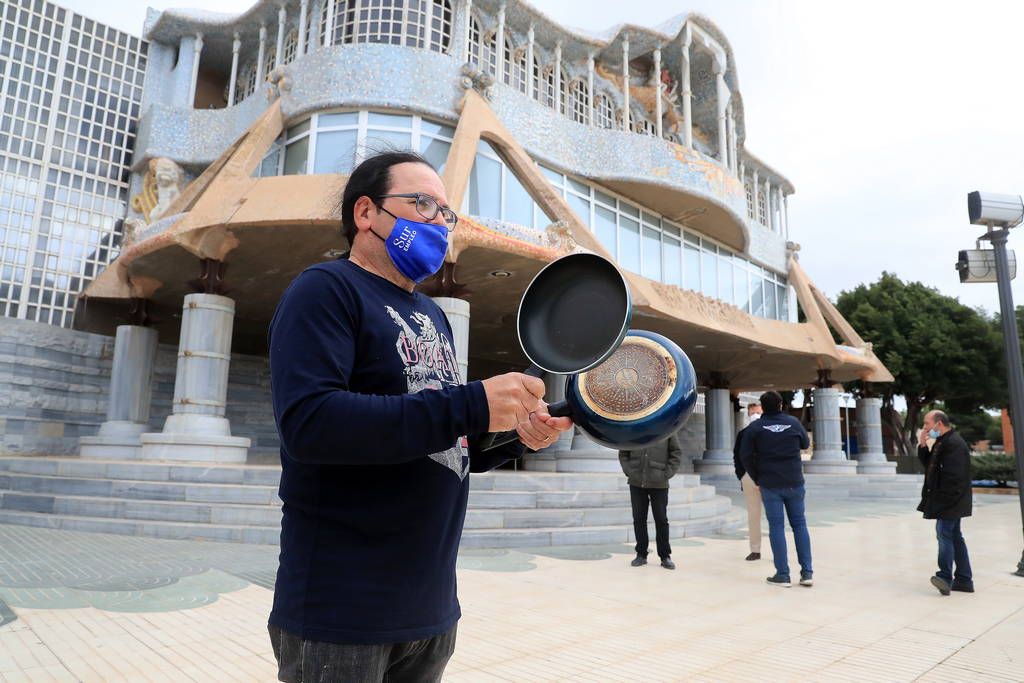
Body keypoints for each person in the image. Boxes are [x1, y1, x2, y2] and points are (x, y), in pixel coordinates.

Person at [267, 151, 573, 682]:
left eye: (447, 213)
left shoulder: (432, 315)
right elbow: (310, 424)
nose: (439, 221)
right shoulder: (325, 290)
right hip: (341, 612)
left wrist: (514, 435)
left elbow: (444, 444)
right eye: (424, 203)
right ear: (366, 213)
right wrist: (473, 403)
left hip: (430, 612)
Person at [739, 391, 813, 588]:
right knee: (799, 525)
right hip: (795, 482)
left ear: (763, 407)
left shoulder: (755, 428)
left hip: (770, 484)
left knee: (776, 527)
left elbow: (745, 456)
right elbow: (805, 444)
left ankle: (783, 575)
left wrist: (757, 477)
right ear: (780, 404)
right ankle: (807, 573)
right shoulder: (794, 423)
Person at [917, 410, 973, 596]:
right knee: (954, 537)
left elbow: (954, 479)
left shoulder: (953, 444)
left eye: (927, 424)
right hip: (949, 501)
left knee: (944, 535)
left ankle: (945, 577)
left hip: (950, 502)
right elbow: (930, 466)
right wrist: (923, 445)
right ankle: (964, 580)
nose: (925, 428)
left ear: (938, 423)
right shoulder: (943, 442)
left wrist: (943, 505)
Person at [619, 434, 683, 570]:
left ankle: (665, 556)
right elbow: (623, 451)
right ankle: (641, 554)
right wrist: (630, 471)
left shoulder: (667, 428)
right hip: (636, 482)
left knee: (661, 519)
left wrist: (666, 474)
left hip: (659, 483)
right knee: (638, 519)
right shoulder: (636, 428)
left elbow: (676, 453)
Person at [733, 401, 764, 561]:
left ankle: (778, 549)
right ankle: (755, 549)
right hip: (749, 478)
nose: (755, 416)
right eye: (752, 413)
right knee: (753, 515)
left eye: (757, 412)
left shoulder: (768, 430)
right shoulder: (743, 433)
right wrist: (742, 475)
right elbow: (737, 455)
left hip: (769, 477)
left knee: (775, 515)